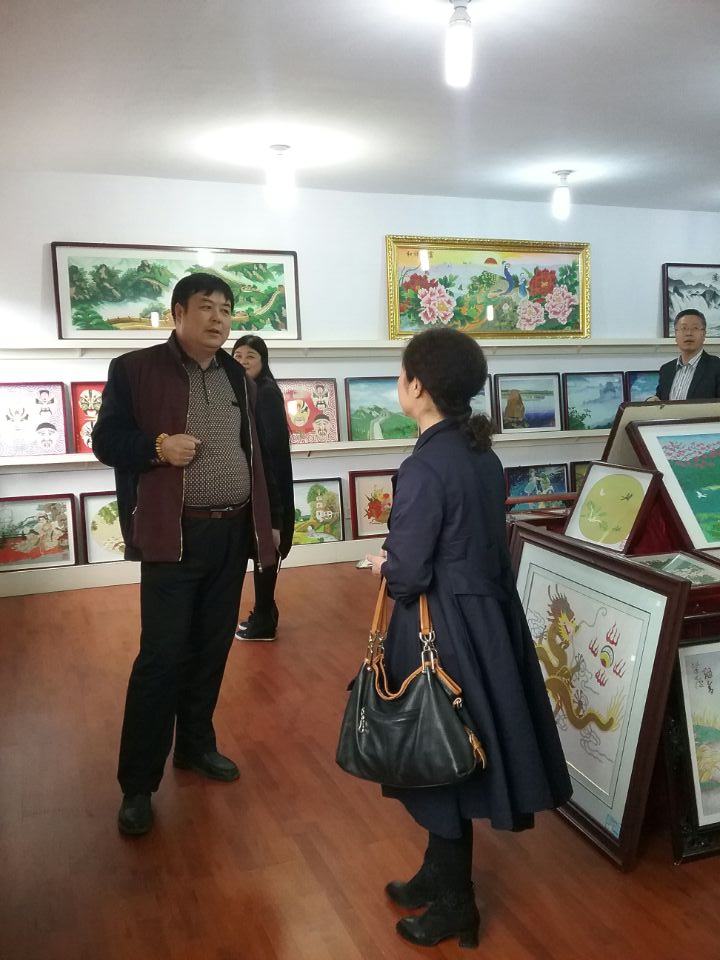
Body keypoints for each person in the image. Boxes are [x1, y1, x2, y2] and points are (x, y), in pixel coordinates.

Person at [365, 328, 572, 949]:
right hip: (485, 621)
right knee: (464, 744)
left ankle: (456, 902)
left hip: (441, 628)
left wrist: (385, 563)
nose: (399, 384)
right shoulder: (480, 453)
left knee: (440, 751)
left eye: (402, 374)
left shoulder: (425, 465)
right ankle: (437, 872)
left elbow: (408, 573)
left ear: (419, 387)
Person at [92, 273, 282, 837]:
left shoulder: (236, 374)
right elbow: (105, 440)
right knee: (161, 658)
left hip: (231, 533)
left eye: (226, 309)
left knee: (212, 647)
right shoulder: (135, 369)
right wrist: (157, 447)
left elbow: (257, 450)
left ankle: (195, 745)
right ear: (177, 312)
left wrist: (268, 521)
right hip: (173, 536)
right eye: (206, 307)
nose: (219, 318)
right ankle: (137, 785)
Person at [232, 335, 294, 641]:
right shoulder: (244, 391)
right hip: (257, 482)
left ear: (263, 361)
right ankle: (265, 612)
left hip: (269, 485)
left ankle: (264, 618)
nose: (243, 361)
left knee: (265, 549)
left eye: (250, 356)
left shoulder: (265, 392)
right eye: (238, 355)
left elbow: (270, 449)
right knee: (261, 550)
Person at [652, 309, 720, 401]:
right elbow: (659, 401)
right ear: (676, 334)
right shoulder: (666, 370)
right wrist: (651, 401)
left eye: (695, 328)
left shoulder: (716, 367)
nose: (689, 333)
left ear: (704, 334)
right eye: (683, 328)